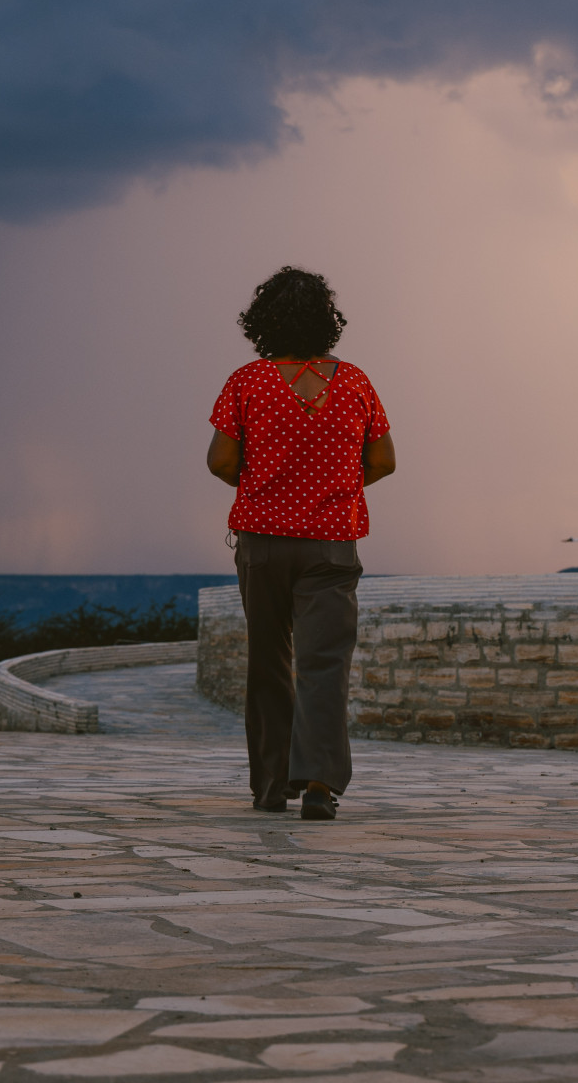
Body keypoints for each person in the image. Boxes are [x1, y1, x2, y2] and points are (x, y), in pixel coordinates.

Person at [205, 267, 395, 820]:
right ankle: (317, 785)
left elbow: (220, 461)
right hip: (331, 546)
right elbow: (384, 461)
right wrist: (336, 485)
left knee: (268, 661)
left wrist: (266, 485)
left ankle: (269, 787)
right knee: (324, 666)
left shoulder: (246, 382)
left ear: (262, 321)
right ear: (326, 320)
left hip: (262, 543)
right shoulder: (355, 382)